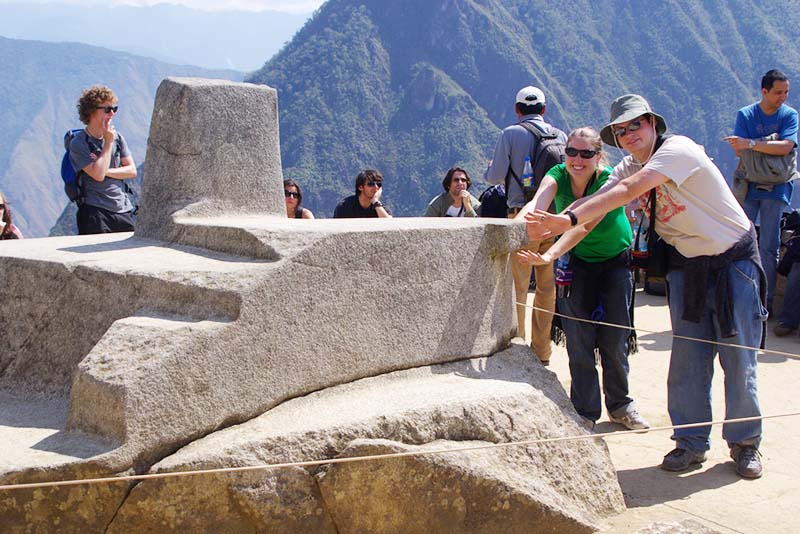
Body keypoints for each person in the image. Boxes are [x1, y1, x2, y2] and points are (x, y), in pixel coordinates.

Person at [526, 94, 765, 479]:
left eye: (635, 125)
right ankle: (690, 442)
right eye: (620, 131)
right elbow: (601, 202)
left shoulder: (678, 150)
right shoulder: (630, 164)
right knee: (688, 358)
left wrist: (566, 218)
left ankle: (745, 443)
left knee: (738, 358)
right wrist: (554, 246)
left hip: (731, 263)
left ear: (653, 123)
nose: (628, 134)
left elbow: (625, 191)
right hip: (686, 266)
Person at [517, 127, 648, 430]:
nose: (577, 159)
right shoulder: (557, 174)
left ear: (598, 156)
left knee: (614, 340)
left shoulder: (607, 181)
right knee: (579, 340)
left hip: (614, 263)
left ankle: (620, 405)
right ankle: (585, 411)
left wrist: (549, 256)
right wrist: (521, 226)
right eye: (572, 152)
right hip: (577, 264)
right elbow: (539, 201)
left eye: (586, 153)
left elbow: (583, 225)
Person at [482, 86, 567, 365]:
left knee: (519, 285)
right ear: (544, 109)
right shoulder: (561, 136)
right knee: (546, 286)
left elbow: (494, 178)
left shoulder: (510, 134)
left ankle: (519, 348)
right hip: (553, 220)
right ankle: (542, 352)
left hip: (522, 218)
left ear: (518, 110)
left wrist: (492, 167)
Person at [724, 69, 798, 315]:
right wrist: (769, 146)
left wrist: (754, 144)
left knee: (769, 244)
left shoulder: (789, 115)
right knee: (742, 239)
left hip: (776, 188)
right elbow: (739, 151)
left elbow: (787, 146)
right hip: (749, 184)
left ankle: (764, 300)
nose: (783, 97)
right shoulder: (746, 114)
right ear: (764, 91)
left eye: (786, 92)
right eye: (778, 92)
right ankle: (740, 292)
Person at [69, 85, 137, 235]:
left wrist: (104, 169)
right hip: (95, 212)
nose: (112, 113)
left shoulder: (117, 138)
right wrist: (108, 143)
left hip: (123, 209)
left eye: (114, 109)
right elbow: (98, 176)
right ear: (91, 111)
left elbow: (132, 171)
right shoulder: (79, 143)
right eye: (107, 109)